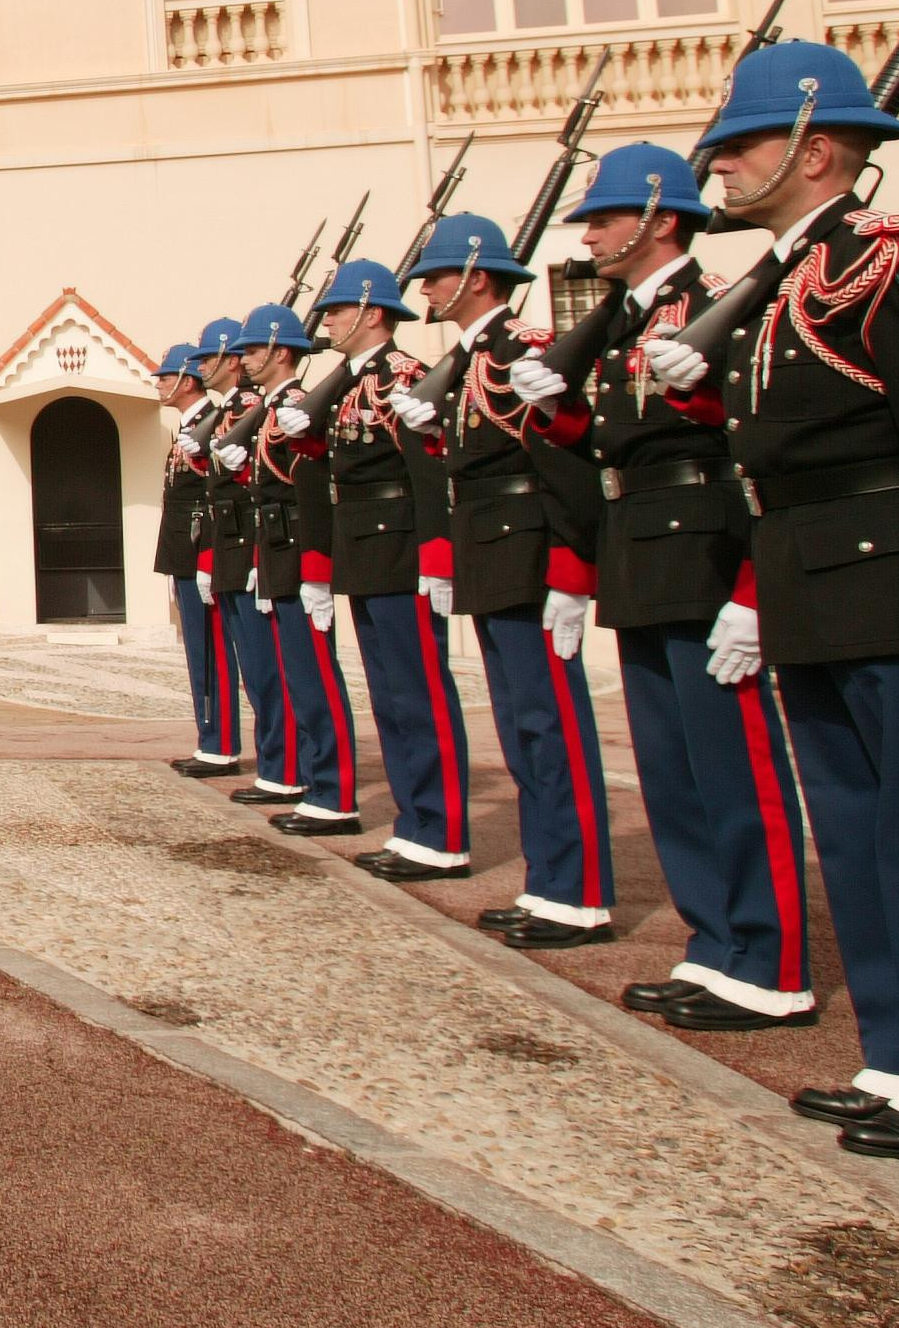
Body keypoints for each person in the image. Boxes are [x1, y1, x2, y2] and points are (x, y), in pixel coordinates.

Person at [642, 41, 899, 1160]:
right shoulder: (777, 285)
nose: (717, 167)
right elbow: (781, 448)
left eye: (739, 147)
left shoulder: (891, 265)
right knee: (859, 836)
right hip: (815, 583)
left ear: (813, 151)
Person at [508, 145, 816, 1031]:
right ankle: (716, 943)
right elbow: (608, 441)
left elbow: (750, 442)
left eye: (605, 217)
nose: (593, 232)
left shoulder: (717, 305)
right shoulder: (617, 319)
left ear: (661, 221)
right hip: (640, 551)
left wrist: (754, 589)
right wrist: (557, 413)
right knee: (674, 773)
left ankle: (771, 958)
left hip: (708, 551)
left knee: (736, 769)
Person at [397, 216, 615, 950]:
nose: (425, 287)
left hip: (529, 555)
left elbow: (559, 464)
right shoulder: (466, 359)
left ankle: (577, 893)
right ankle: (549, 880)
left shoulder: (517, 349)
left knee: (551, 727)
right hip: (492, 555)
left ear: (477, 276)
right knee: (523, 729)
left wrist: (570, 571)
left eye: (437, 273)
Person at [284, 258, 469, 860]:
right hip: (364, 550)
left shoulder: (405, 375)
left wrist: (437, 557)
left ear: (369, 311)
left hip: (401, 550)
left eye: (336, 309)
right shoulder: (347, 385)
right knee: (389, 698)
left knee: (419, 694)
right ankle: (415, 824)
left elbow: (428, 471)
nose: (328, 321)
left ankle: (440, 831)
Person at [232, 299, 358, 828]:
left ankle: (333, 792)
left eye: (255, 349)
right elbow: (267, 484)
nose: (246, 359)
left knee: (316, 677)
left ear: (282, 351)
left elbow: (309, 489)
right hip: (276, 548)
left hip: (301, 549)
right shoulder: (272, 407)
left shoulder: (301, 403)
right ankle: (313, 779)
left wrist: (317, 570)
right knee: (297, 679)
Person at [194, 317, 285, 782]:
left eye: (208, 358)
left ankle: (284, 768)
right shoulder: (237, 409)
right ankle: (277, 768)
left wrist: (255, 560)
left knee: (268, 672)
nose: (201, 367)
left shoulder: (252, 406)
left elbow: (261, 493)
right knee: (254, 670)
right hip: (232, 550)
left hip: (254, 551)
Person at [153, 347, 243, 780]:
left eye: (165, 376)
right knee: (198, 651)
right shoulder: (191, 426)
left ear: (187, 380)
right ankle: (210, 738)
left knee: (213, 652)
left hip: (202, 554)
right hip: (185, 556)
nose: (159, 384)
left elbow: (212, 500)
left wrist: (205, 558)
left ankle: (221, 744)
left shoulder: (216, 423)